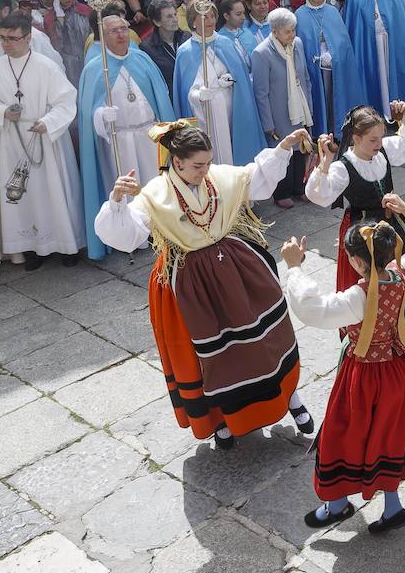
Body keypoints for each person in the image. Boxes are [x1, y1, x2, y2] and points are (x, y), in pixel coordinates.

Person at [98, 122, 313, 448]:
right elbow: (125, 235)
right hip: (190, 282)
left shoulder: (219, 178)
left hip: (237, 269)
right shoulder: (155, 195)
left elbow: (255, 178)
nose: (205, 170)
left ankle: (290, 397)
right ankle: (221, 418)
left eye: (208, 162)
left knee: (267, 337)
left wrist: (283, 147)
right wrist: (116, 200)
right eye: (198, 165)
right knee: (213, 356)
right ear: (177, 162)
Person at [282, 196, 405, 532]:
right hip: (398, 369)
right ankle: (392, 508)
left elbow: (312, 309)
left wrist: (295, 267)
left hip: (364, 376)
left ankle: (337, 503)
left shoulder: (358, 296)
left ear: (354, 260)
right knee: (389, 436)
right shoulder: (401, 272)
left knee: (344, 434)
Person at [305, 104, 405, 351]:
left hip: (394, 223)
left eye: (380, 137)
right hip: (365, 233)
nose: (378, 143)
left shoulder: (384, 151)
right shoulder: (343, 167)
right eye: (372, 139)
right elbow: (319, 195)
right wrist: (324, 162)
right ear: (355, 139)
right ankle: (387, 339)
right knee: (376, 283)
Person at [0, 13, 85, 270]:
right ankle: (33, 247)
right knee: (22, 194)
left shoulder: (45, 66)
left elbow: (66, 100)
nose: (6, 44)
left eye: (12, 38)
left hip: (44, 138)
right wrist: (4, 111)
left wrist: (47, 122)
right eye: (2, 38)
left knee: (52, 190)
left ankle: (65, 245)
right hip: (14, 139)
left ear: (28, 37)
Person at [77, 4, 176, 259]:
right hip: (119, 138)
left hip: (148, 133)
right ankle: (134, 235)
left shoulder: (141, 58)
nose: (121, 34)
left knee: (155, 183)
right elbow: (89, 115)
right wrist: (101, 115)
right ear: (102, 35)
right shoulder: (94, 68)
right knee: (128, 186)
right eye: (113, 31)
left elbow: (159, 97)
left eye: (123, 28)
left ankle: (161, 227)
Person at [172, 0, 262, 167]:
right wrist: (197, 94)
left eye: (212, 15)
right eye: (204, 17)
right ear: (193, 22)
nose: (210, 20)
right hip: (204, 110)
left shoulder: (225, 43)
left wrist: (229, 80)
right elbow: (184, 90)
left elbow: (239, 77)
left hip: (230, 105)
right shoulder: (185, 52)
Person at [250, 8, 315, 208]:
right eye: (287, 31)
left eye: (293, 30)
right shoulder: (261, 53)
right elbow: (261, 92)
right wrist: (268, 123)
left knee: (301, 149)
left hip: (299, 106)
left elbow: (305, 77)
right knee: (283, 153)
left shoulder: (297, 44)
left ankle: (299, 187)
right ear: (275, 31)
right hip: (279, 111)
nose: (292, 35)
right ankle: (281, 192)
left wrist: (309, 107)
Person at [294, 0, 367, 134]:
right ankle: (323, 129)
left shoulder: (332, 11)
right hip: (314, 67)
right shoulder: (299, 15)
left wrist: (334, 55)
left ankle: (340, 127)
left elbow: (342, 40)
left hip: (336, 64)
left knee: (337, 96)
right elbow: (301, 44)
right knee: (321, 98)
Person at [39, 0, 92, 85]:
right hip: (67, 66)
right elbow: (58, 45)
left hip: (88, 59)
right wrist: (59, 18)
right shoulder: (49, 19)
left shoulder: (85, 11)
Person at [140, 0, 190, 92]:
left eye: (175, 14)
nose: (175, 19)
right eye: (169, 16)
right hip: (168, 96)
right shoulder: (147, 48)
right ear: (157, 22)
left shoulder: (187, 38)